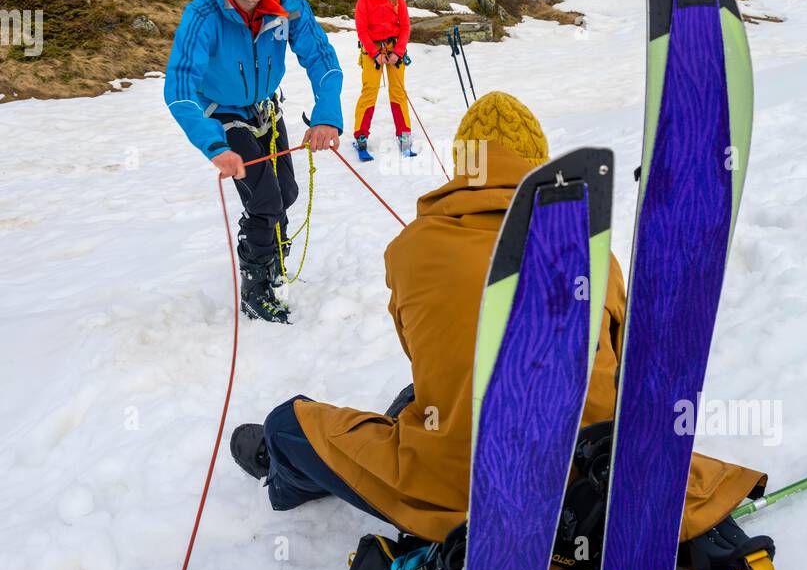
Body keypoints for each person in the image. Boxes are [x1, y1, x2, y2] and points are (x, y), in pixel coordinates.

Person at [230, 91, 766, 541]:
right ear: (539, 166)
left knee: (291, 423)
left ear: (464, 164)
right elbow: (628, 360)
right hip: (603, 472)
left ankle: (285, 475)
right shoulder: (596, 251)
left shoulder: (409, 249)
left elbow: (423, 355)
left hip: (461, 484)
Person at [164, 0, 343, 324]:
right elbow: (179, 88)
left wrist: (327, 115)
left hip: (265, 107)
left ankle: (274, 260)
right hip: (222, 115)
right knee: (264, 200)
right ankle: (255, 285)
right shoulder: (203, 14)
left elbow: (322, 61)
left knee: (287, 191)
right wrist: (215, 145)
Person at [352, 0, 415, 162]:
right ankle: (361, 136)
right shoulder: (363, 0)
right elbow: (361, 30)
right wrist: (375, 53)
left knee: (398, 91)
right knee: (369, 90)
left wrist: (398, 52)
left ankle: (404, 134)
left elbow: (405, 27)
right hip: (373, 52)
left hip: (394, 48)